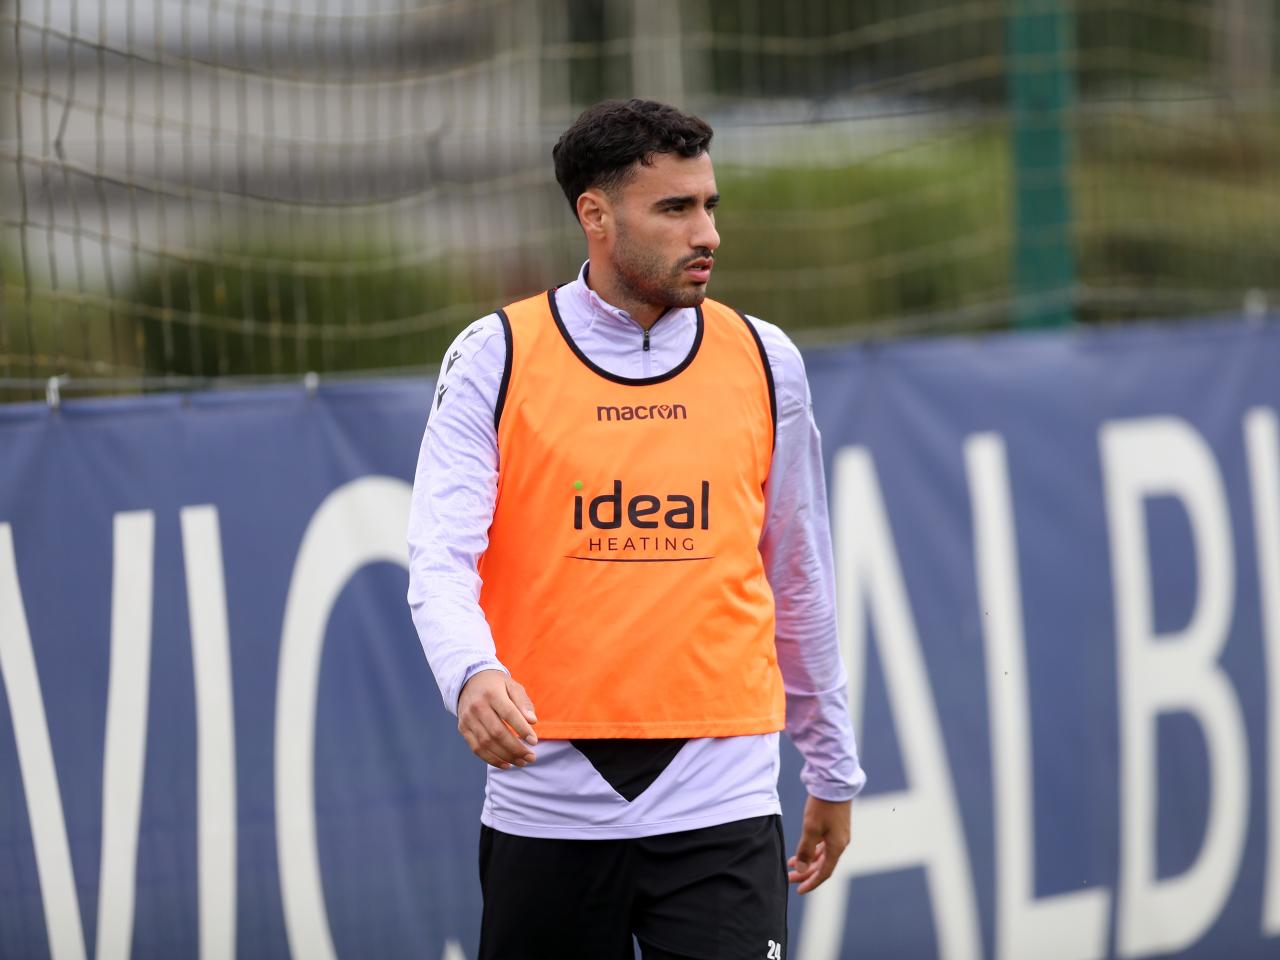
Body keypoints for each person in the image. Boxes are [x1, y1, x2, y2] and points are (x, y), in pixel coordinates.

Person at [407, 99, 865, 960]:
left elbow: (798, 574)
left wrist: (832, 767)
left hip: (721, 799)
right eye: (675, 208)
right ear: (596, 215)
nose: (708, 234)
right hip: (547, 804)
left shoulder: (767, 359)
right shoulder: (494, 356)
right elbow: (440, 554)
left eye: (710, 206)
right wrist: (469, 673)